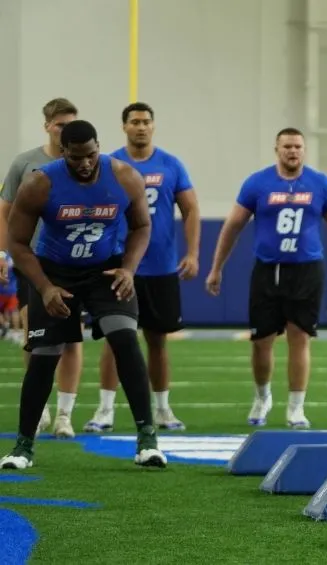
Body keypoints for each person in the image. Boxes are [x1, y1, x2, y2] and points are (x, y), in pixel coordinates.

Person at [0, 119, 166, 470]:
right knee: (45, 354)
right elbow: (17, 241)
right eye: (76, 157)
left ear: (98, 147)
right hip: (54, 271)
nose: (85, 163)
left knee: (125, 339)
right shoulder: (40, 183)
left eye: (90, 155)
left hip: (105, 270)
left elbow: (141, 226)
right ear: (63, 153)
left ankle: (148, 440)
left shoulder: (124, 176)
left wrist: (128, 269)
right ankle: (23, 446)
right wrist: (44, 288)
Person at [205, 127, 327, 429]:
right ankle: (262, 397)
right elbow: (233, 225)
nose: (293, 151)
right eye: (287, 146)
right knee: (261, 341)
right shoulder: (257, 183)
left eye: (298, 146)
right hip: (268, 269)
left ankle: (296, 408)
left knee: (299, 338)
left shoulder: (320, 183)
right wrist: (216, 267)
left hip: (306, 269)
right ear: (276, 149)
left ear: (304, 150)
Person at [85, 102, 200, 433]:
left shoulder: (171, 164)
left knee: (158, 341)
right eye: (134, 121)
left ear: (153, 126)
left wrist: (192, 253)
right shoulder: (110, 164)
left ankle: (162, 409)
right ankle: (105, 410)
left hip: (161, 266)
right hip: (118, 266)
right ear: (124, 126)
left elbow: (191, 209)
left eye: (146, 121)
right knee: (114, 339)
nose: (140, 127)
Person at [0, 98, 84, 439]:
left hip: (73, 261)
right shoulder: (26, 163)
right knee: (33, 335)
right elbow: (5, 210)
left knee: (72, 337)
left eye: (70, 124)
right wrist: (3, 253)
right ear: (47, 126)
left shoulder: (84, 163)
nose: (65, 130)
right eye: (60, 124)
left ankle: (65, 413)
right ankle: (40, 408)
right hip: (32, 260)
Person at [0, 255, 20, 338]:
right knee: (13, 311)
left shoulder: (2, 259)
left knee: (4, 311)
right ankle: (16, 332)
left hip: (1, 290)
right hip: (13, 289)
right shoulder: (12, 257)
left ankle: (5, 325)